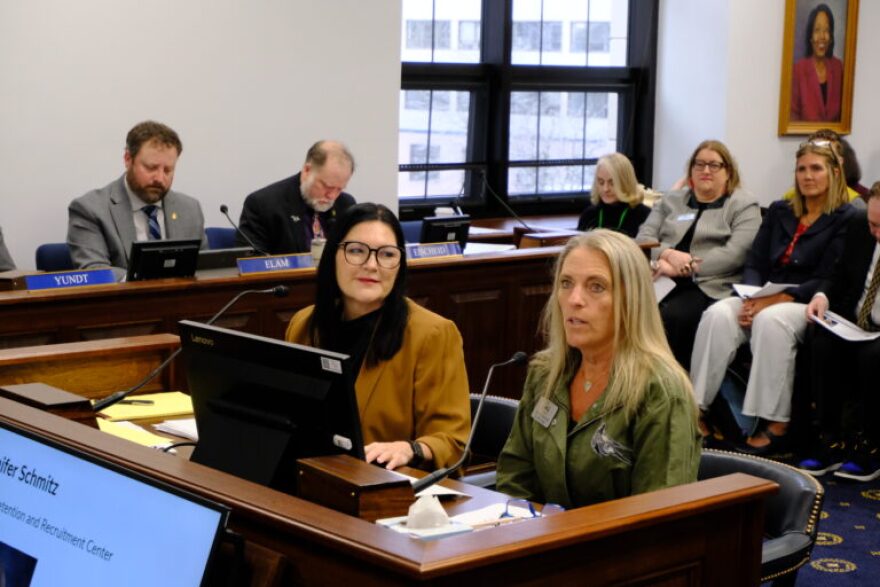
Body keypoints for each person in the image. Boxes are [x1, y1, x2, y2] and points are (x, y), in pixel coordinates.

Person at [495, 230, 701, 509]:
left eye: (596, 287)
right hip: (539, 541)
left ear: (632, 300)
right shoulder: (545, 372)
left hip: (617, 549)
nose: (574, 299)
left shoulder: (661, 391)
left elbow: (658, 519)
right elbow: (515, 474)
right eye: (566, 283)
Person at [690, 140, 856, 454]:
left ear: (835, 172)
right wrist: (751, 296)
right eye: (802, 169)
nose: (808, 176)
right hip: (762, 294)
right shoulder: (781, 210)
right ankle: (697, 409)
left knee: (770, 321)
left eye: (816, 169)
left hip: (806, 300)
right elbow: (754, 261)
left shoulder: (846, 217)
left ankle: (775, 422)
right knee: (718, 314)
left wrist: (775, 300)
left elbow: (828, 276)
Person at [285, 203, 469, 470]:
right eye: (357, 251)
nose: (372, 265)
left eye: (386, 254)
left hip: (384, 490)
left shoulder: (432, 334)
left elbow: (453, 444)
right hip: (311, 478)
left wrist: (410, 448)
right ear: (332, 255)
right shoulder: (304, 324)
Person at [636, 140, 762, 369]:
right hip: (659, 277)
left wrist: (685, 267)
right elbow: (644, 239)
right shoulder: (671, 200)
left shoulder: (743, 205)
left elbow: (735, 254)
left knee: (671, 318)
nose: (705, 171)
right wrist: (670, 254)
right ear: (691, 170)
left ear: (728, 172)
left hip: (709, 285)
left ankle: (674, 388)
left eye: (714, 165)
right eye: (699, 164)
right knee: (622, 309)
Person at [800, 182, 880, 481]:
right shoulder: (860, 226)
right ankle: (831, 440)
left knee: (874, 356)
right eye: (874, 224)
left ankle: (871, 447)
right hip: (858, 321)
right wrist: (822, 296)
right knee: (822, 343)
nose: (877, 234)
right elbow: (837, 272)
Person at [67, 121, 206, 280]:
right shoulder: (90, 209)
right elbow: (94, 271)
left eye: (168, 170)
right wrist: (147, 277)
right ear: (128, 159)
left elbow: (205, 268)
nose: (160, 178)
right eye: (151, 168)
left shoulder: (190, 209)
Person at [239, 140, 356, 255]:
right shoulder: (263, 205)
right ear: (307, 170)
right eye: (327, 186)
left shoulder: (346, 205)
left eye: (339, 189)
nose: (332, 196)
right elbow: (249, 263)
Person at [576, 153, 650, 238]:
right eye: (601, 182)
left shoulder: (643, 215)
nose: (605, 189)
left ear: (625, 183)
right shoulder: (589, 214)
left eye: (612, 183)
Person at [790, 4, 843, 122]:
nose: (822, 37)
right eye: (817, 30)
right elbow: (792, 118)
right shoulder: (798, 70)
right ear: (810, 37)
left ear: (831, 37)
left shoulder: (838, 68)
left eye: (827, 30)